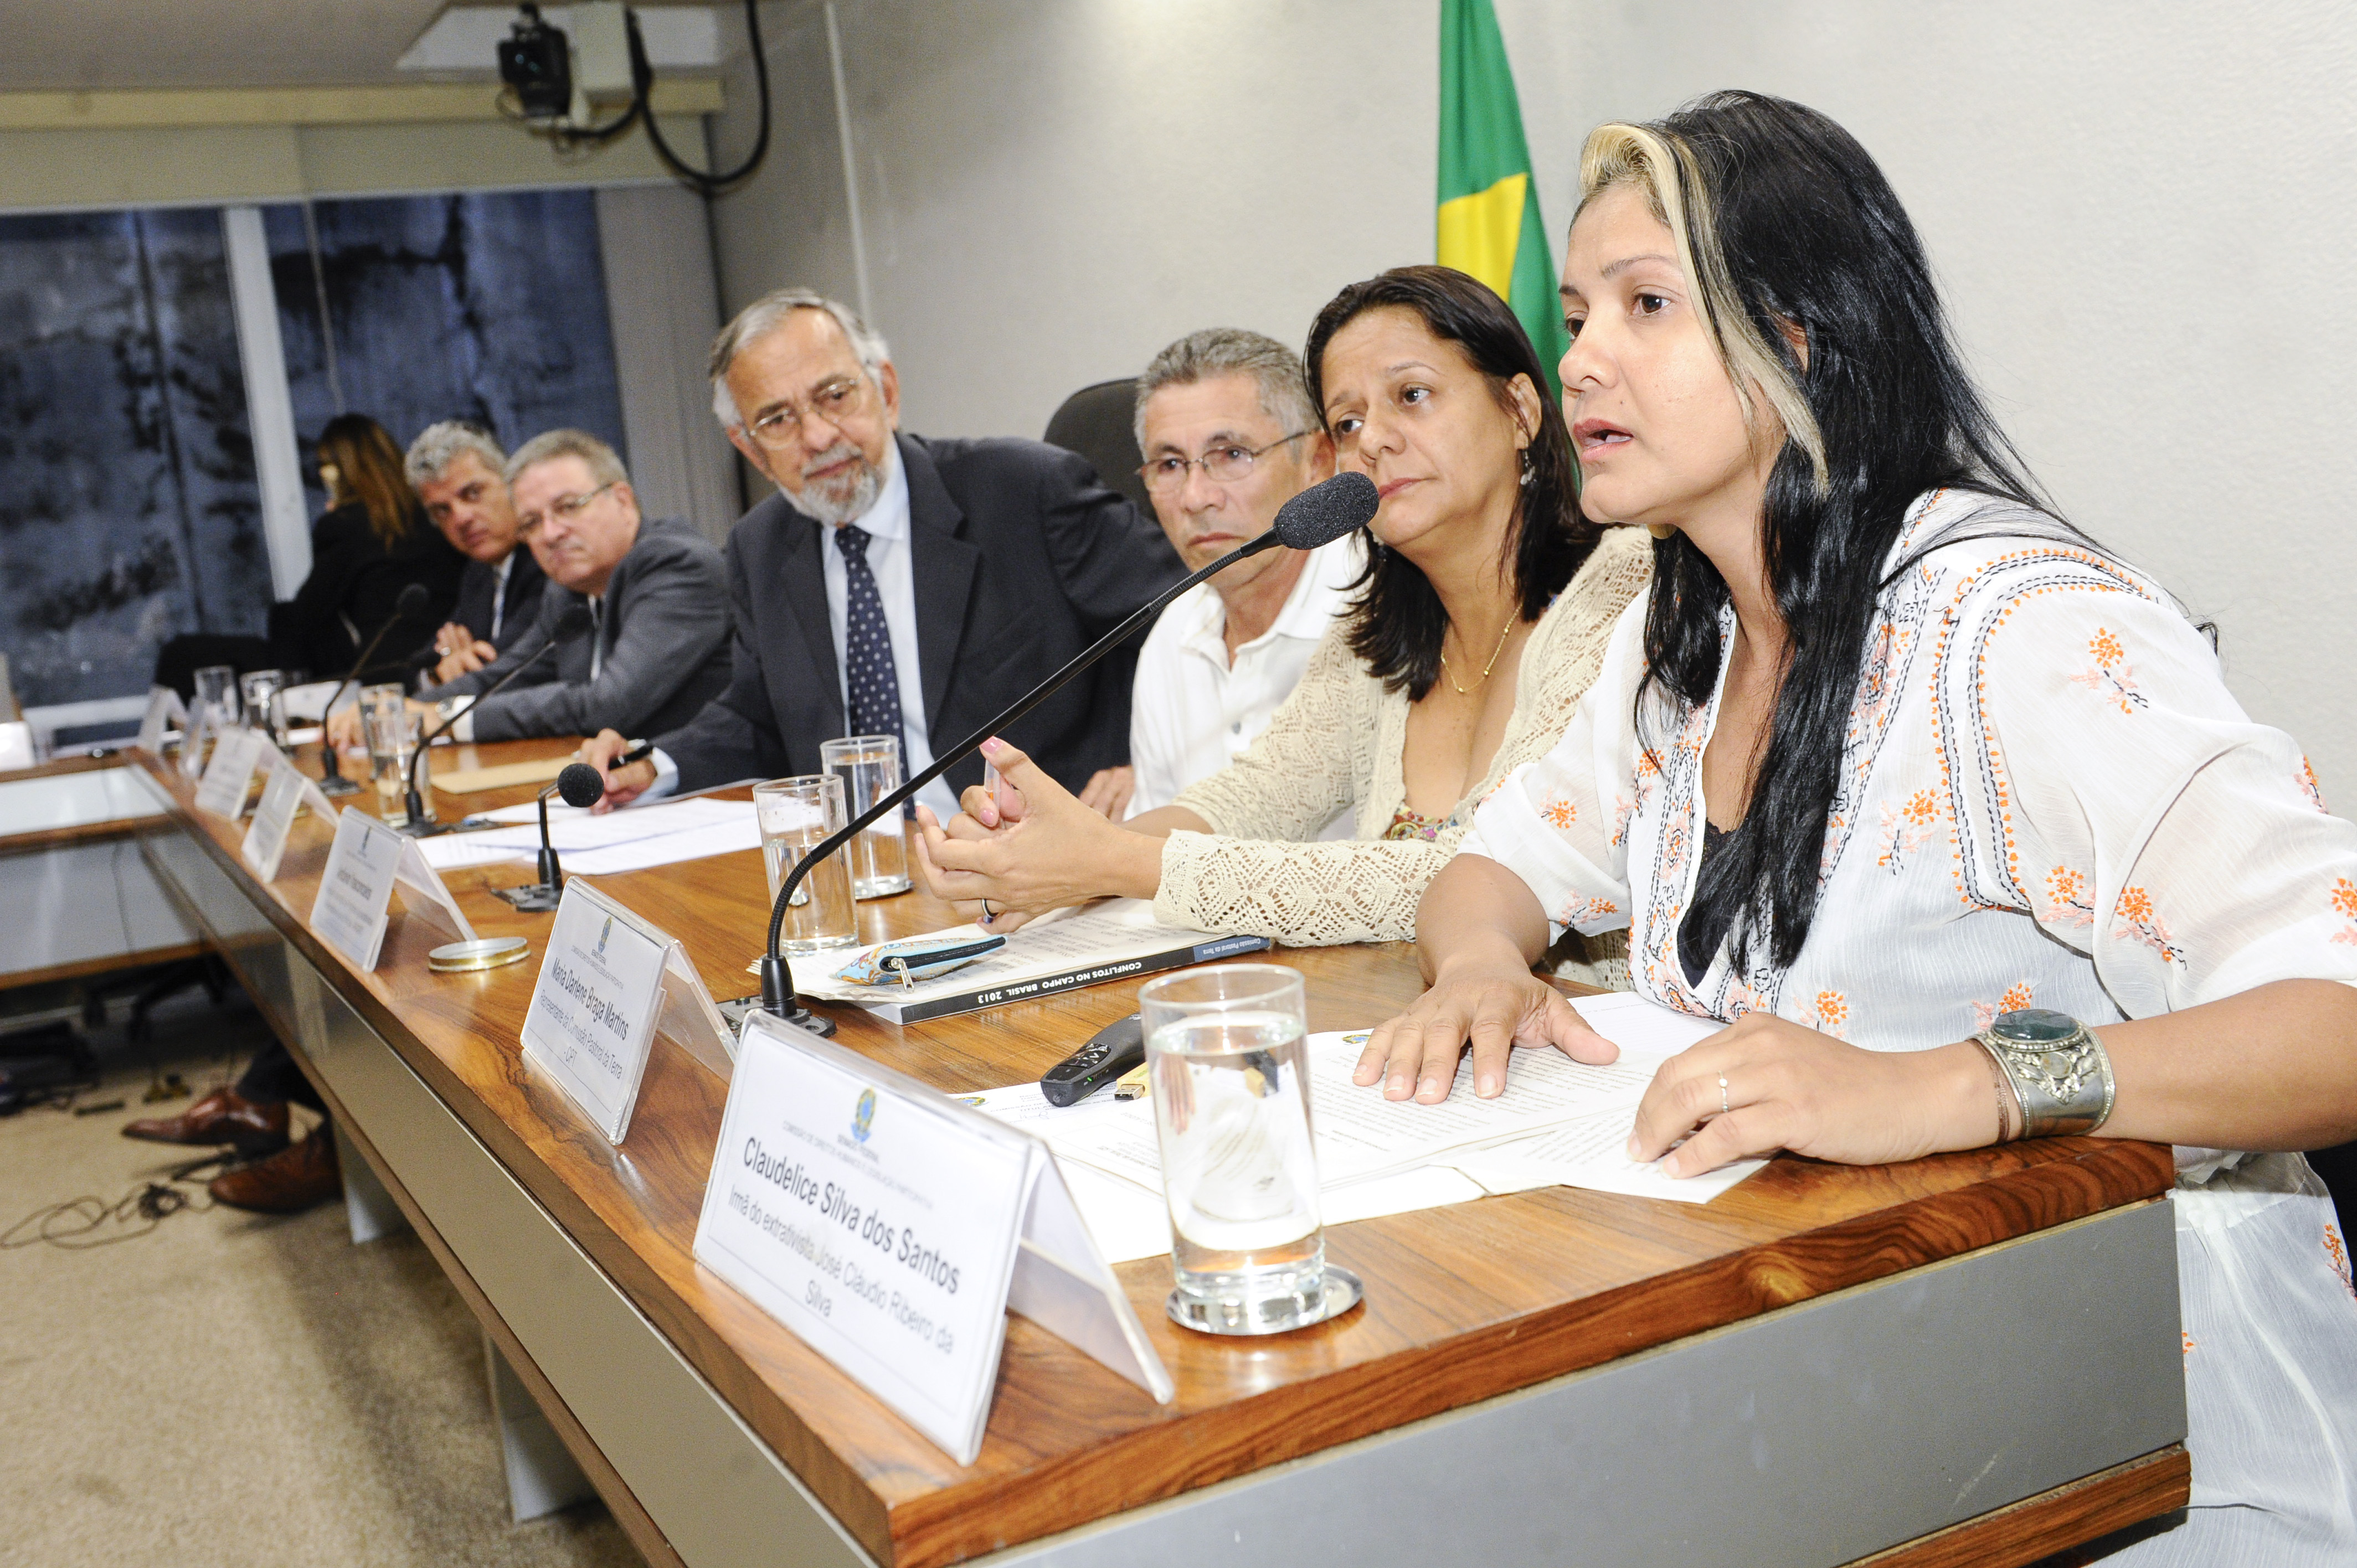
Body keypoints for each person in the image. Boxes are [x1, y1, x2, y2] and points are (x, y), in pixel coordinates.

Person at [1364, 92, 2357, 1562]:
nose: (1579, 361)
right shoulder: (1675, 638)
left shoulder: (2016, 626)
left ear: (1805, 336)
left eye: (1647, 305)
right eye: (1576, 315)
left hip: (2142, 1430)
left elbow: (2334, 1019)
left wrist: (1957, 1085)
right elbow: (1498, 866)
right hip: (1837, 1386)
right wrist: (1480, 972)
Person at [914, 266, 1654, 958]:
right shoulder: (1378, 631)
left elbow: (1476, 877)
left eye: (1412, 396)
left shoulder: (1620, 588)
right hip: (1396, 1031)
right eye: (1351, 422)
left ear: (1520, 411)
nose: (1379, 441)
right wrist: (1056, 857)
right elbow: (1254, 797)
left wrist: (1114, 859)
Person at [577, 289, 1184, 821]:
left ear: (885, 391)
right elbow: (757, 717)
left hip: (1043, 849)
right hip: (868, 867)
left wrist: (1147, 767)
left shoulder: (1024, 491)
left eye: (835, 396)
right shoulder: (758, 548)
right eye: (778, 420)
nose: (818, 436)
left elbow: (1191, 631)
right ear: (751, 448)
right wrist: (654, 764)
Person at [1075, 328, 1356, 827]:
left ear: (1317, 460)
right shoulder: (1172, 634)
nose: (1195, 497)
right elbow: (1152, 868)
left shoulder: (1379, 616)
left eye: (1231, 455)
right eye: (1169, 464)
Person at [417, 429, 730, 742]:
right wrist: (410, 710)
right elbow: (508, 677)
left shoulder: (677, 566)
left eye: (568, 507)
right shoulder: (567, 591)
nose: (550, 534)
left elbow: (608, 705)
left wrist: (449, 718)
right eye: (532, 523)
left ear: (623, 501)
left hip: (705, 783)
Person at [151, 413, 463, 696]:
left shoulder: (345, 525)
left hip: (372, 671)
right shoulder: (435, 520)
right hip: (430, 657)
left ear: (341, 473)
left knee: (183, 653)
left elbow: (308, 615)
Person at [401, 421, 548, 687]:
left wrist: (455, 668)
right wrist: (441, 669)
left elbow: (507, 666)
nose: (461, 518)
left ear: (510, 482)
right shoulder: (479, 573)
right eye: (442, 510)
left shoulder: (547, 557)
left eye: (473, 493)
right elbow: (415, 667)